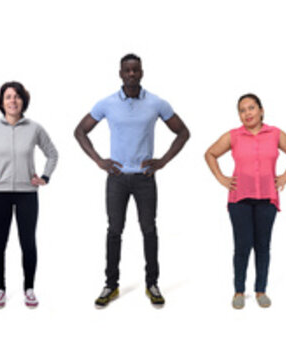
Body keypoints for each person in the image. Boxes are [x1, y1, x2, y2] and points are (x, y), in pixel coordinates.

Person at [73, 53, 191, 308]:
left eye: (135, 70)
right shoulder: (107, 103)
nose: (131, 74)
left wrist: (163, 161)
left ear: (142, 72)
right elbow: (80, 130)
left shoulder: (156, 103)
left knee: (149, 230)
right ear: (120, 73)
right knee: (114, 230)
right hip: (116, 178)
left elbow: (183, 132)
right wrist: (98, 160)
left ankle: (152, 283)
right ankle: (111, 285)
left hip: (144, 178)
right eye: (126, 70)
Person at [203, 93, 286, 309]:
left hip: (267, 198)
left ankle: (261, 290)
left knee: (263, 245)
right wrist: (221, 178)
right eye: (242, 110)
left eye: (251, 108)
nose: (247, 113)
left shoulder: (275, 134)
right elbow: (210, 153)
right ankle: (239, 290)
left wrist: (284, 177)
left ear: (261, 110)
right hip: (240, 199)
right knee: (242, 245)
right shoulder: (234, 136)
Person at [0, 81, 59, 309]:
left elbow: (53, 154)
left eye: (17, 96)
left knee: (28, 242)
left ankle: (29, 289)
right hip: (0, 193)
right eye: (8, 97)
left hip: (28, 193)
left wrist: (45, 177)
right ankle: (0, 289)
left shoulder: (34, 128)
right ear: (2, 102)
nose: (13, 101)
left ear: (23, 101)